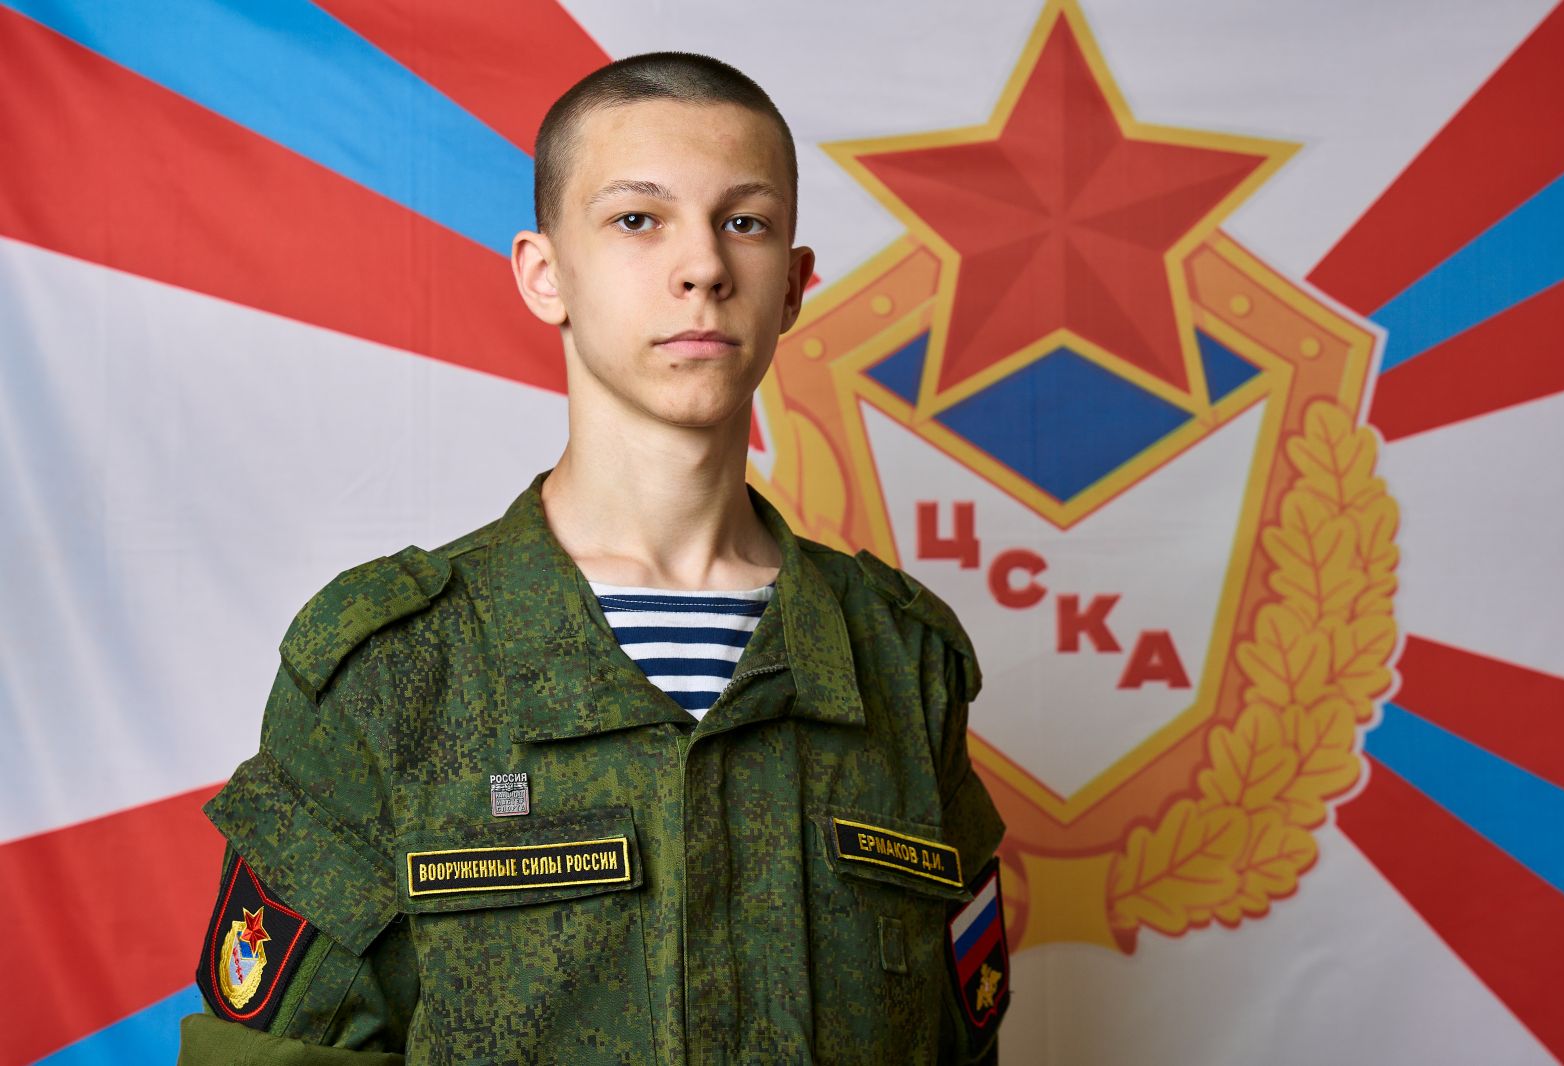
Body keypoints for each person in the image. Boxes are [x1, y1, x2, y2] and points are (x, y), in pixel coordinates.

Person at [179, 51, 1008, 1065]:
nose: (703, 267)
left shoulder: (904, 662)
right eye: (638, 219)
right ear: (545, 273)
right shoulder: (393, 668)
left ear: (793, 286)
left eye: (744, 222)